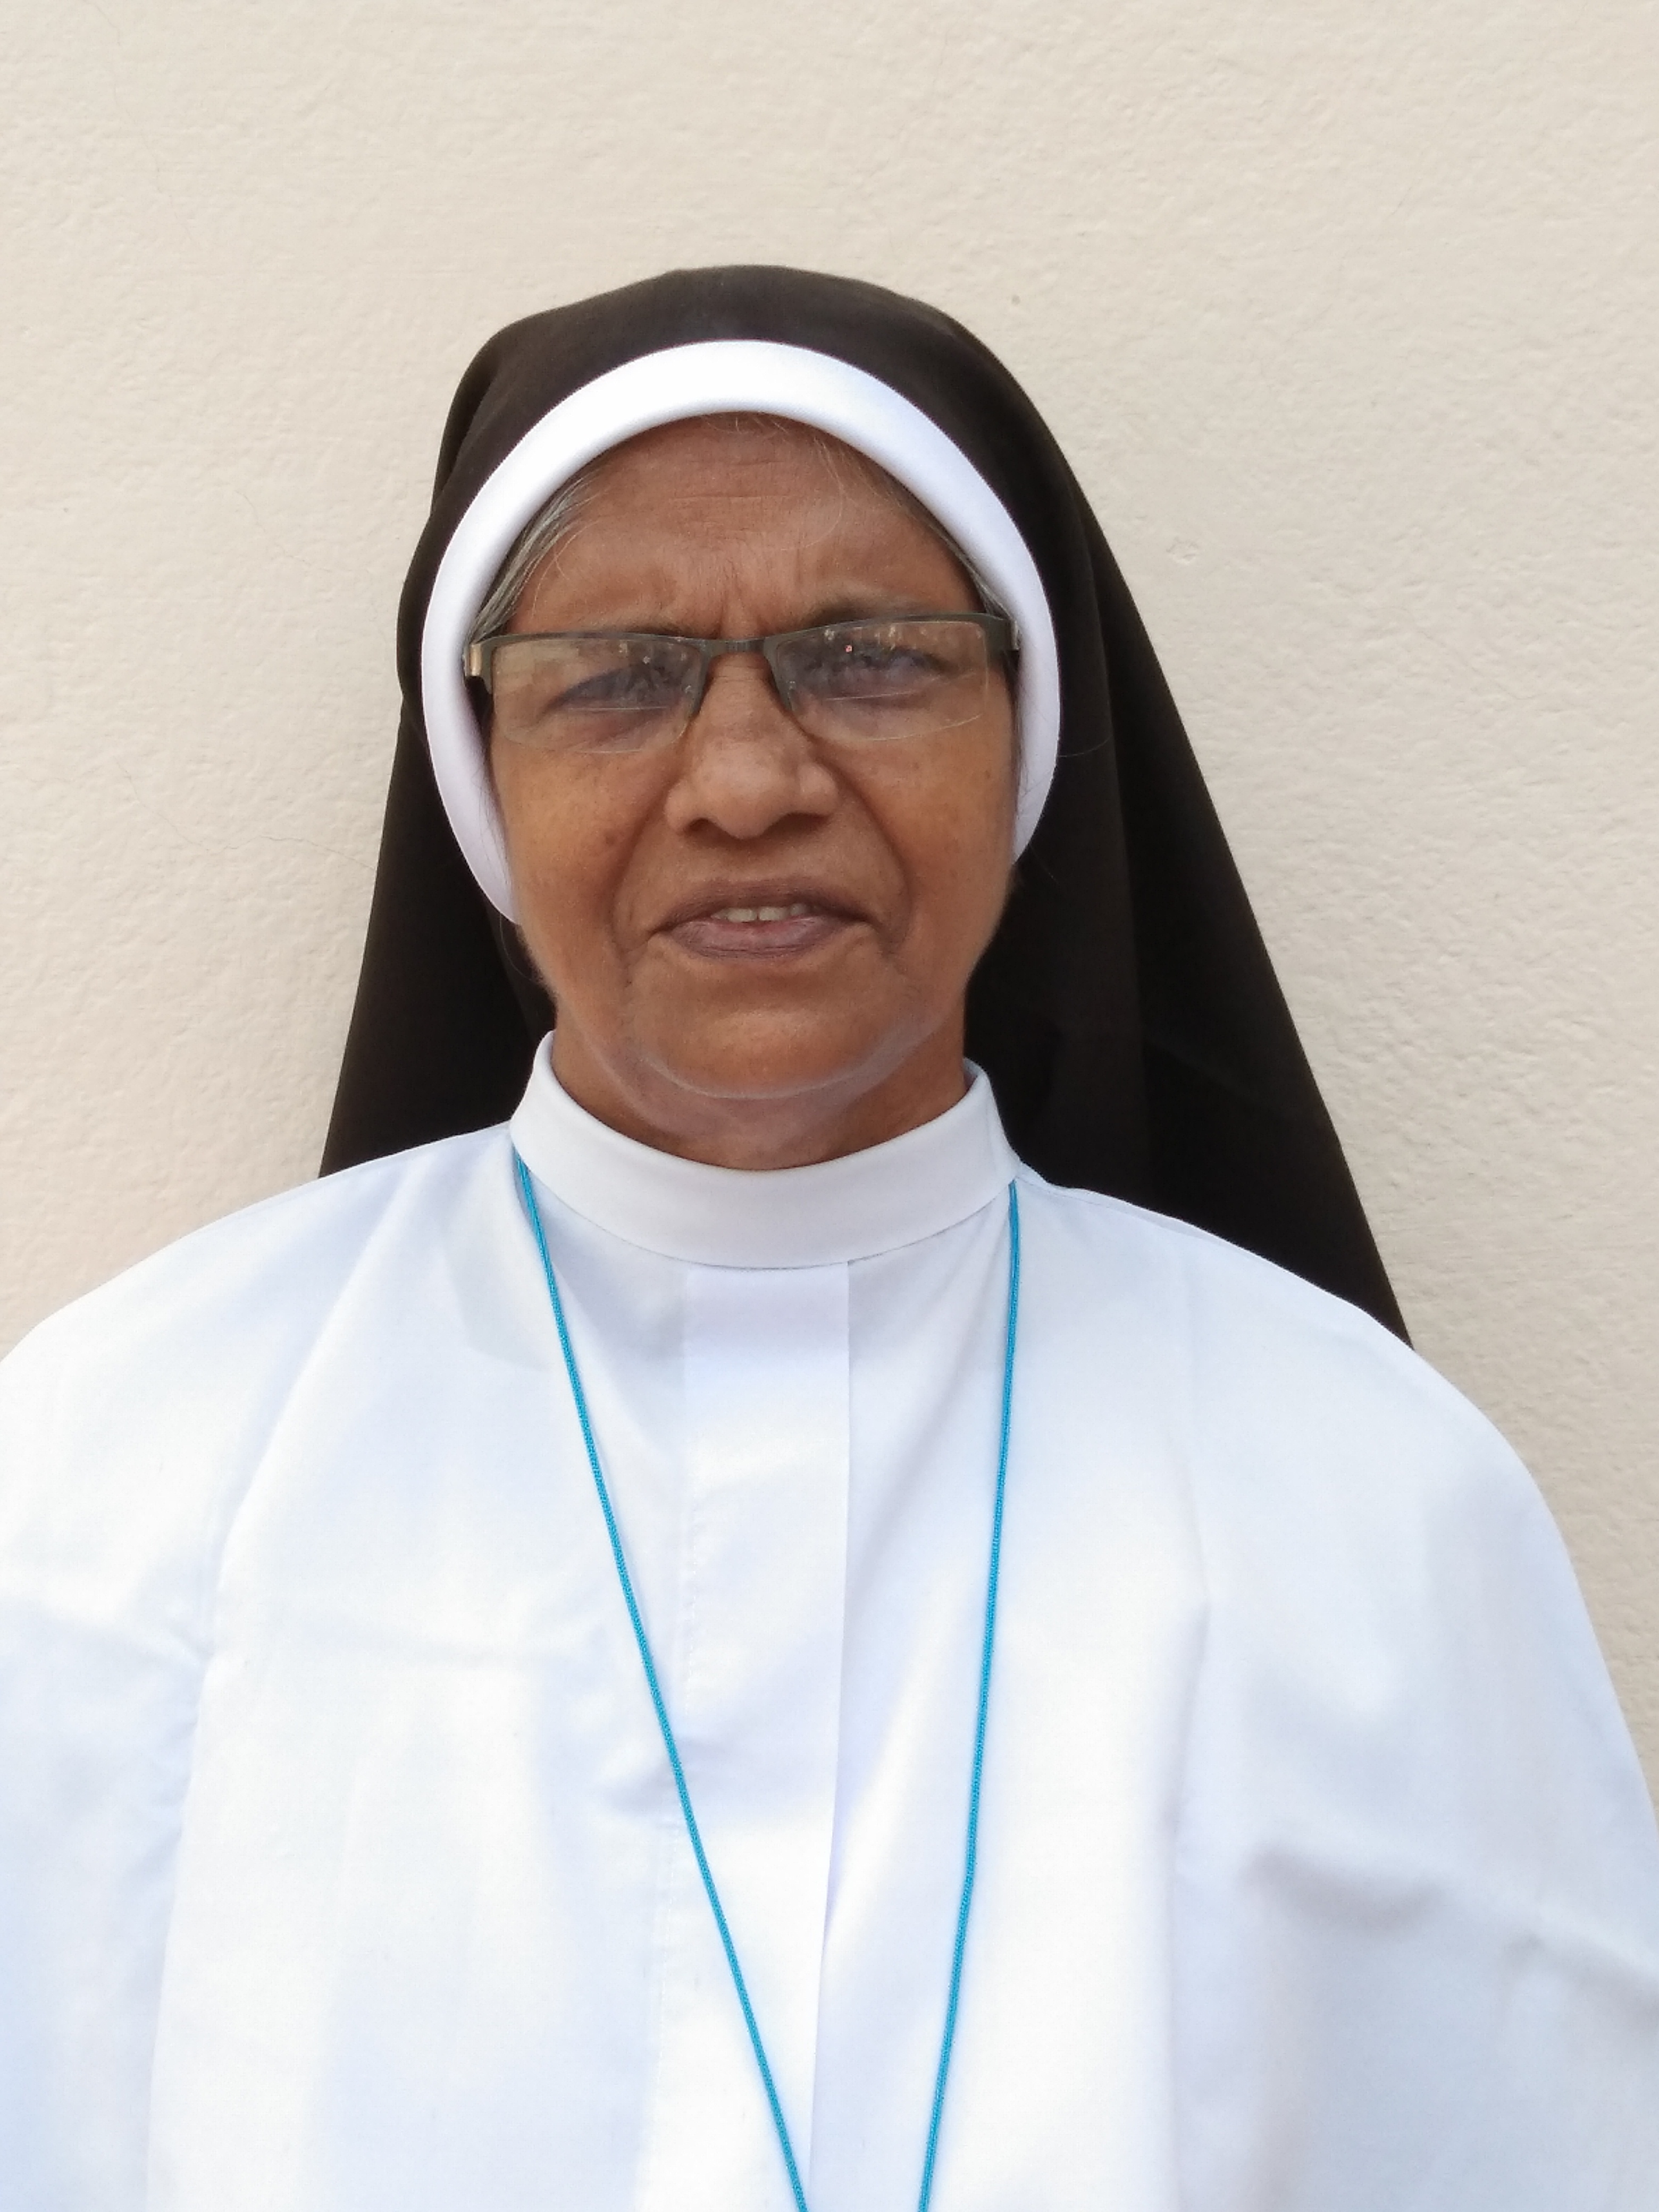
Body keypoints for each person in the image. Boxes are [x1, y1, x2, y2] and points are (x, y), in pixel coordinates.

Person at [1, 266, 1655, 2212]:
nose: (748, 782)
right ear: (478, 771)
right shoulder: (115, 1475)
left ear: (1028, 739)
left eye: (871, 657)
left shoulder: (1371, 1496)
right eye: (617, 672)